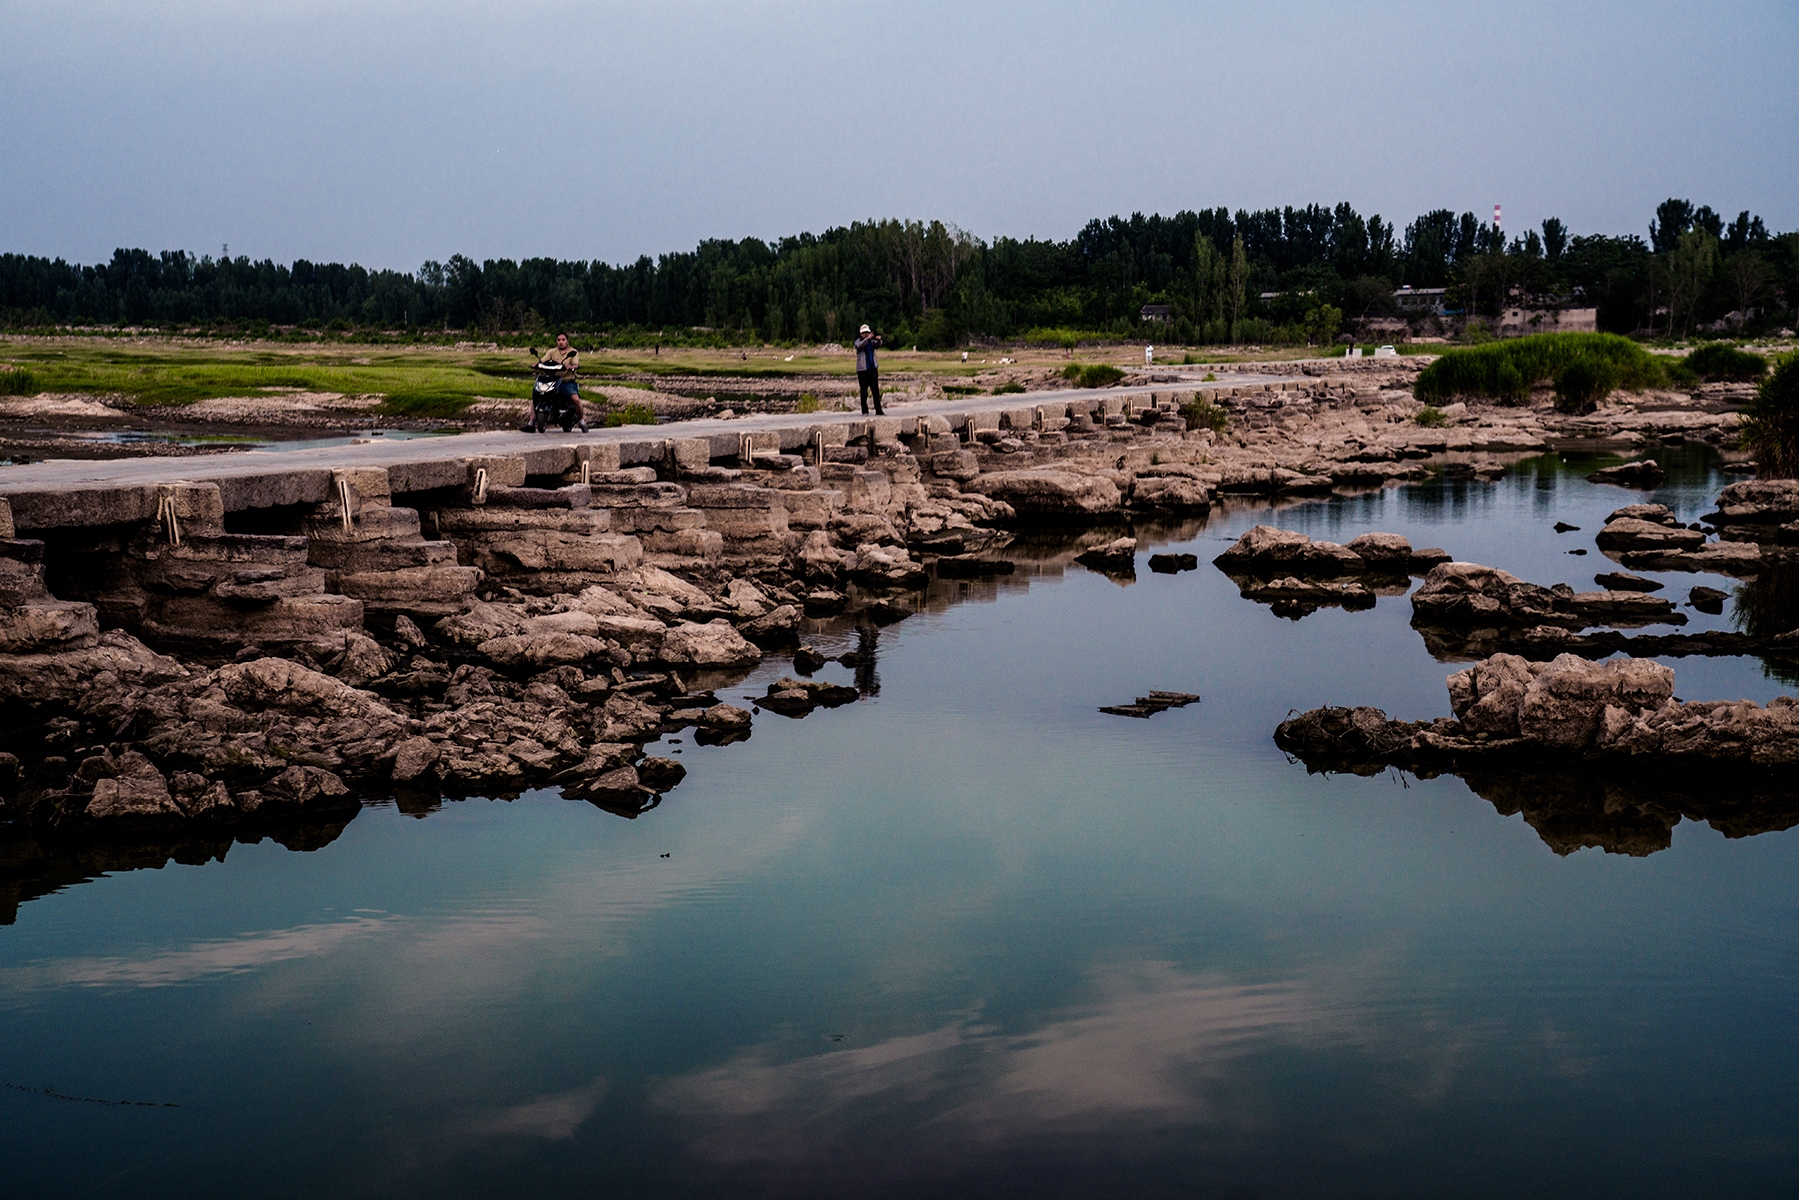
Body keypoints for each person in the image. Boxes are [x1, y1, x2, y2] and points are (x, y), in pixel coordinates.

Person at [538, 332, 587, 432]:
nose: (561, 342)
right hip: (553, 381)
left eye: (563, 340)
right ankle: (531, 422)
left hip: (566, 381)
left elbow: (576, 364)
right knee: (538, 395)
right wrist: (537, 364)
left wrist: (571, 367)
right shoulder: (552, 352)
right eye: (559, 340)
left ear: (567, 341)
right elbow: (543, 361)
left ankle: (582, 421)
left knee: (575, 399)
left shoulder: (573, 352)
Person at [854, 324, 884, 415]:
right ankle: (864, 410)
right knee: (863, 391)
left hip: (872, 368)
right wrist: (867, 339)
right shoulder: (858, 341)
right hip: (862, 370)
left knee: (875, 391)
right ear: (861, 334)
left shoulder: (872, 342)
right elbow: (859, 346)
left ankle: (878, 410)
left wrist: (879, 340)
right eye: (864, 333)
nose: (866, 334)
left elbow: (879, 345)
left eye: (867, 332)